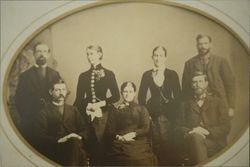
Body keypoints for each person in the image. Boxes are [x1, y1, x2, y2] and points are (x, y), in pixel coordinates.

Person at [74, 45, 120, 165]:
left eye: (92, 54)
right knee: (90, 143)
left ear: (100, 54)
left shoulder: (109, 74)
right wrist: (87, 105)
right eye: (87, 54)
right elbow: (79, 99)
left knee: (105, 142)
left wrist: (100, 104)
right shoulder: (83, 76)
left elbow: (116, 96)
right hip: (87, 112)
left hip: (105, 112)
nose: (89, 57)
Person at [138, 46, 181, 165]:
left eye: (161, 55)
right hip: (153, 112)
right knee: (155, 141)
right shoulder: (147, 74)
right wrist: (147, 115)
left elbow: (178, 97)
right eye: (156, 55)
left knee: (169, 143)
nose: (158, 58)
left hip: (170, 114)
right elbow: (141, 98)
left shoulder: (172, 74)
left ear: (165, 58)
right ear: (152, 57)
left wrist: (173, 113)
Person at [176, 71, 231, 165]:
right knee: (196, 138)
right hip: (192, 140)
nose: (197, 85)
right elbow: (178, 126)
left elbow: (226, 127)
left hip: (214, 142)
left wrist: (207, 131)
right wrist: (191, 132)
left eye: (200, 81)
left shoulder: (218, 102)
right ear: (191, 85)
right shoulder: (185, 104)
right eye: (194, 82)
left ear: (206, 83)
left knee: (197, 141)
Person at [34, 78, 89, 166]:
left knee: (74, 143)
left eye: (63, 89)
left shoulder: (73, 110)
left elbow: (84, 129)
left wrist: (77, 136)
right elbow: (40, 136)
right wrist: (61, 139)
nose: (61, 93)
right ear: (51, 92)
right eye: (57, 90)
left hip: (74, 145)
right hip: (56, 147)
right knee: (77, 148)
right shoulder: (44, 112)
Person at [15, 42, 61, 145]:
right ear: (34, 54)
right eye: (39, 51)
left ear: (48, 55)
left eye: (44, 51)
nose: (42, 54)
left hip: (51, 120)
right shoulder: (25, 76)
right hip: (30, 120)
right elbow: (18, 100)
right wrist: (26, 116)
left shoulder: (55, 74)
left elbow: (60, 96)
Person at [182, 34, 235, 117]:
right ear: (197, 45)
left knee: (219, 128)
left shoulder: (221, 61)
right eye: (200, 44)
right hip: (198, 105)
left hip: (219, 103)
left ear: (211, 45)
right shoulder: (190, 63)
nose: (203, 46)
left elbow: (230, 86)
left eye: (205, 43)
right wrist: (185, 108)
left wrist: (231, 107)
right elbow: (185, 88)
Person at [106, 82, 157, 166]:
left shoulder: (142, 109)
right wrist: (120, 137)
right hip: (120, 142)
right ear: (121, 93)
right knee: (123, 157)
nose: (128, 94)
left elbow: (145, 128)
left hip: (138, 141)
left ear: (134, 93)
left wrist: (133, 134)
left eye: (130, 91)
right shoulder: (115, 110)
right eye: (125, 91)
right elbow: (110, 130)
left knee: (138, 157)